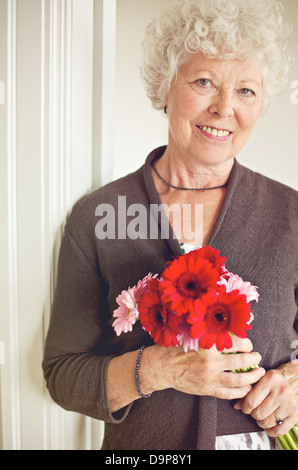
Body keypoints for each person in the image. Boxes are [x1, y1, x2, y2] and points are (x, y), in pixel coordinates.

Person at [43, 0, 298, 450]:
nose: (224, 108)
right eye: (204, 81)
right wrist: (163, 368)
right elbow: (63, 374)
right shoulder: (101, 215)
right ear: (164, 87)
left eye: (246, 91)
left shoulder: (290, 213)